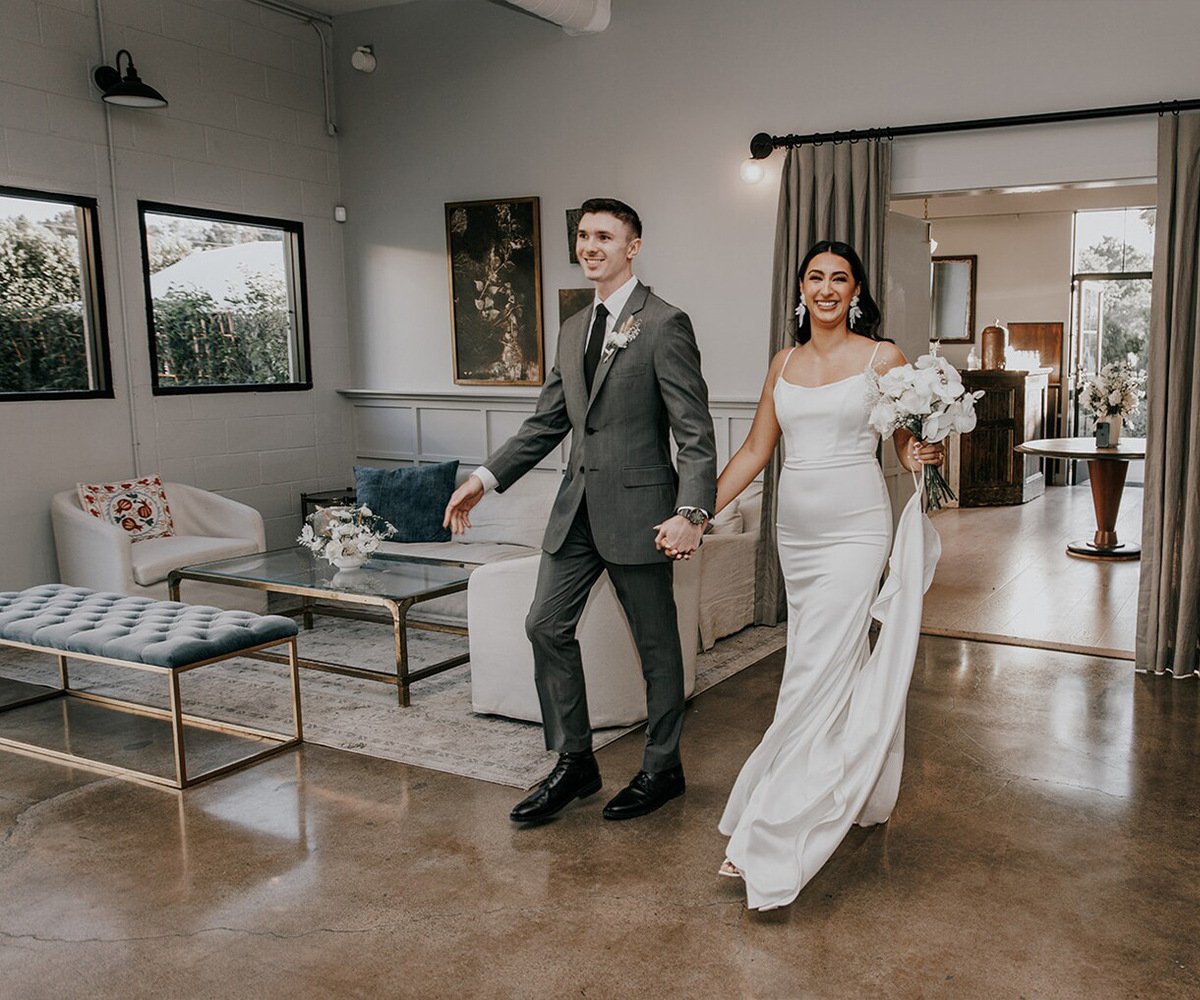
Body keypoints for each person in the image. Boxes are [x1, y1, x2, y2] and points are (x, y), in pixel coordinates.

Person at [443, 198, 717, 823]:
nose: (590, 245)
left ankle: (662, 767)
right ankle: (576, 762)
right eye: (584, 236)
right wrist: (484, 479)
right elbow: (546, 423)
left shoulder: (666, 323)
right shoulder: (572, 329)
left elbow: (695, 434)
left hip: (643, 514)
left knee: (657, 649)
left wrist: (692, 512)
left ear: (633, 246)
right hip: (575, 516)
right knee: (544, 624)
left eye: (605, 236)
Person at [712, 240, 943, 910]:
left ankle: (769, 830)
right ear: (801, 290)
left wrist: (924, 445)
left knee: (814, 670)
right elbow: (756, 450)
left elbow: (903, 444)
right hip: (799, 538)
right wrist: (697, 512)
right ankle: (858, 785)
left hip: (856, 532)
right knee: (819, 666)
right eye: (815, 277)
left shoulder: (883, 358)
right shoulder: (781, 363)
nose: (826, 288)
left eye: (839, 278)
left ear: (857, 292)